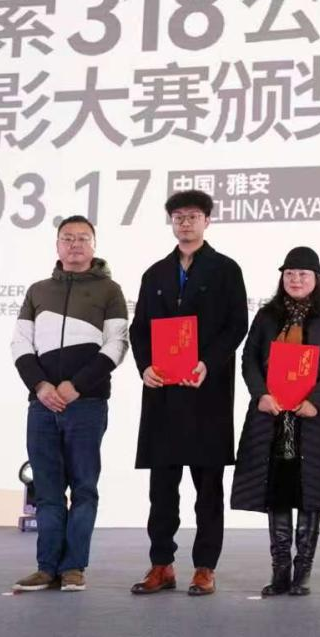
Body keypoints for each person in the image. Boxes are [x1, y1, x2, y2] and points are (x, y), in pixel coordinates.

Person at [128, 190, 248, 597]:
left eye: (193, 216)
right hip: (163, 395)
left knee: (208, 489)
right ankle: (161, 565)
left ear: (207, 221)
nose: (185, 223)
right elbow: (139, 329)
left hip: (206, 392)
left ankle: (204, 567)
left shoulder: (226, 269)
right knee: (162, 489)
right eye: (178, 216)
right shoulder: (155, 273)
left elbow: (236, 325)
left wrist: (207, 363)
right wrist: (145, 366)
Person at [10, 215, 129, 592]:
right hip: (42, 406)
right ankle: (47, 567)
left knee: (84, 488)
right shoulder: (38, 290)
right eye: (68, 238)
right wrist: (41, 385)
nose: (75, 244)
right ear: (57, 245)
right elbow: (20, 343)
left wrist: (76, 386)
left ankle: (74, 567)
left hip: (87, 403)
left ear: (94, 245)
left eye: (82, 238)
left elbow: (117, 343)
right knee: (47, 490)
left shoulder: (109, 290)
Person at [231, 246, 320, 597]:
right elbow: (249, 358)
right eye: (290, 274)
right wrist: (260, 394)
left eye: (303, 274)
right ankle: (280, 570)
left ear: (316, 279)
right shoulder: (267, 316)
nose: (296, 280)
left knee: (310, 490)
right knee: (278, 489)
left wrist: (316, 400)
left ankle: (303, 572)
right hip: (272, 415)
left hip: (313, 417)